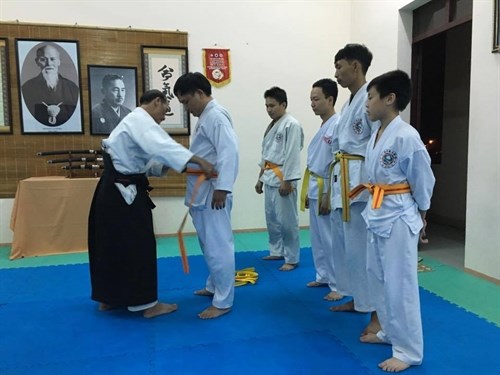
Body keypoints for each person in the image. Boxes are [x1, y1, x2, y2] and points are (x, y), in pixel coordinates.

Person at [88, 89, 214, 319]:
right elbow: (163, 146)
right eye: (166, 109)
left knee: (111, 245)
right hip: (123, 194)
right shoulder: (141, 120)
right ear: (157, 101)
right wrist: (198, 160)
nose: (165, 115)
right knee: (138, 245)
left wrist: (169, 165)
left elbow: (145, 159)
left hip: (111, 192)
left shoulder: (134, 123)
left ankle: (110, 297)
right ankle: (146, 304)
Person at [354, 70, 435, 372]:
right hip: (378, 211)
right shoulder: (378, 134)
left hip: (399, 216)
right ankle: (389, 331)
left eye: (371, 97)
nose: (367, 104)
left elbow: (423, 180)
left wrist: (422, 215)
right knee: (378, 278)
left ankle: (409, 351)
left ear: (390, 99)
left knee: (400, 285)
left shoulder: (406, 136)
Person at [174, 72, 239, 319]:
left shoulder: (216, 116)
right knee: (208, 243)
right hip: (203, 190)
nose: (186, 108)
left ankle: (223, 301)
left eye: (187, 101)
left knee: (218, 245)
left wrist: (223, 187)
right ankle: (214, 285)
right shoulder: (206, 116)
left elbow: (229, 151)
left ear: (200, 94)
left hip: (214, 191)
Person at [329, 44, 379, 333]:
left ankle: (375, 313)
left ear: (355, 66)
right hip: (344, 178)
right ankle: (358, 299)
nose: (336, 73)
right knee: (349, 250)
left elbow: (375, 142)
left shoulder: (371, 98)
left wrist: (372, 187)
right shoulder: (350, 102)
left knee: (363, 252)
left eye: (339, 66)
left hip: (360, 185)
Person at [300, 79, 342, 301]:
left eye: (316, 99)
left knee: (330, 238)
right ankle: (324, 275)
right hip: (316, 184)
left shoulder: (338, 124)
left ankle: (338, 284)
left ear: (330, 99)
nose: (312, 104)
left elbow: (337, 162)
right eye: (311, 100)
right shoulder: (324, 125)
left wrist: (328, 194)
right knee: (317, 237)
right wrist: (308, 190)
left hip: (327, 187)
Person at [255, 87, 304, 271]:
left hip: (283, 177)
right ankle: (277, 250)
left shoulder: (291, 124)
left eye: (272, 105)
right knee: (272, 218)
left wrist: (288, 180)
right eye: (266, 105)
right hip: (269, 176)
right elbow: (266, 155)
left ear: (283, 104)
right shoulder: (273, 125)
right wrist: (260, 178)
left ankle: (292, 257)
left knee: (287, 221)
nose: (269, 109)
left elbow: (292, 154)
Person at [21, 43, 79, 126]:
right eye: (43, 59)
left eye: (52, 59)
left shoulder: (72, 88)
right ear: (37, 62)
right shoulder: (27, 88)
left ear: (59, 61)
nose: (49, 64)